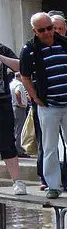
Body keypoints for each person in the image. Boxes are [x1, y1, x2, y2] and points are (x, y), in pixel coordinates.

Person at [20, 12, 67, 200]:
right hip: (48, 105)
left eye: (50, 28)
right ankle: (53, 185)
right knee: (49, 147)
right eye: (42, 30)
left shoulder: (65, 43)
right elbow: (24, 76)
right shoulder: (29, 49)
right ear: (35, 31)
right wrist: (35, 98)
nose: (48, 33)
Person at [0, 44, 26, 194]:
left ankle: (17, 181)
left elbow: (20, 66)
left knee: (7, 143)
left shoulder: (3, 49)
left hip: (2, 102)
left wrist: (2, 59)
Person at [10, 72, 30, 157]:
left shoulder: (11, 84)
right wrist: (20, 103)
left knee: (15, 129)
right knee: (20, 130)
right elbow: (18, 92)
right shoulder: (19, 84)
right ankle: (19, 150)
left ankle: (14, 149)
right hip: (19, 108)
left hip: (13, 107)